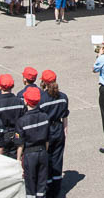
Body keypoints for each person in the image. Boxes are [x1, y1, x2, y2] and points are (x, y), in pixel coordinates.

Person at [39, 70, 69, 198]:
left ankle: (48, 185)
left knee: (46, 159)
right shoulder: (63, 97)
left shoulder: (42, 98)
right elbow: (65, 116)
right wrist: (65, 129)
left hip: (46, 130)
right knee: (57, 159)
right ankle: (56, 187)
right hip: (58, 129)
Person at [16, 87, 49, 198]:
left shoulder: (21, 121)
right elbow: (48, 139)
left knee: (30, 186)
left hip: (30, 154)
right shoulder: (45, 117)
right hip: (43, 152)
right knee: (42, 185)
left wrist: (18, 159)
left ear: (25, 101)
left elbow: (19, 143)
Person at [0, 74, 24, 158]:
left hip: (3, 134)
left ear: (0, 87)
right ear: (12, 86)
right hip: (16, 133)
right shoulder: (19, 102)